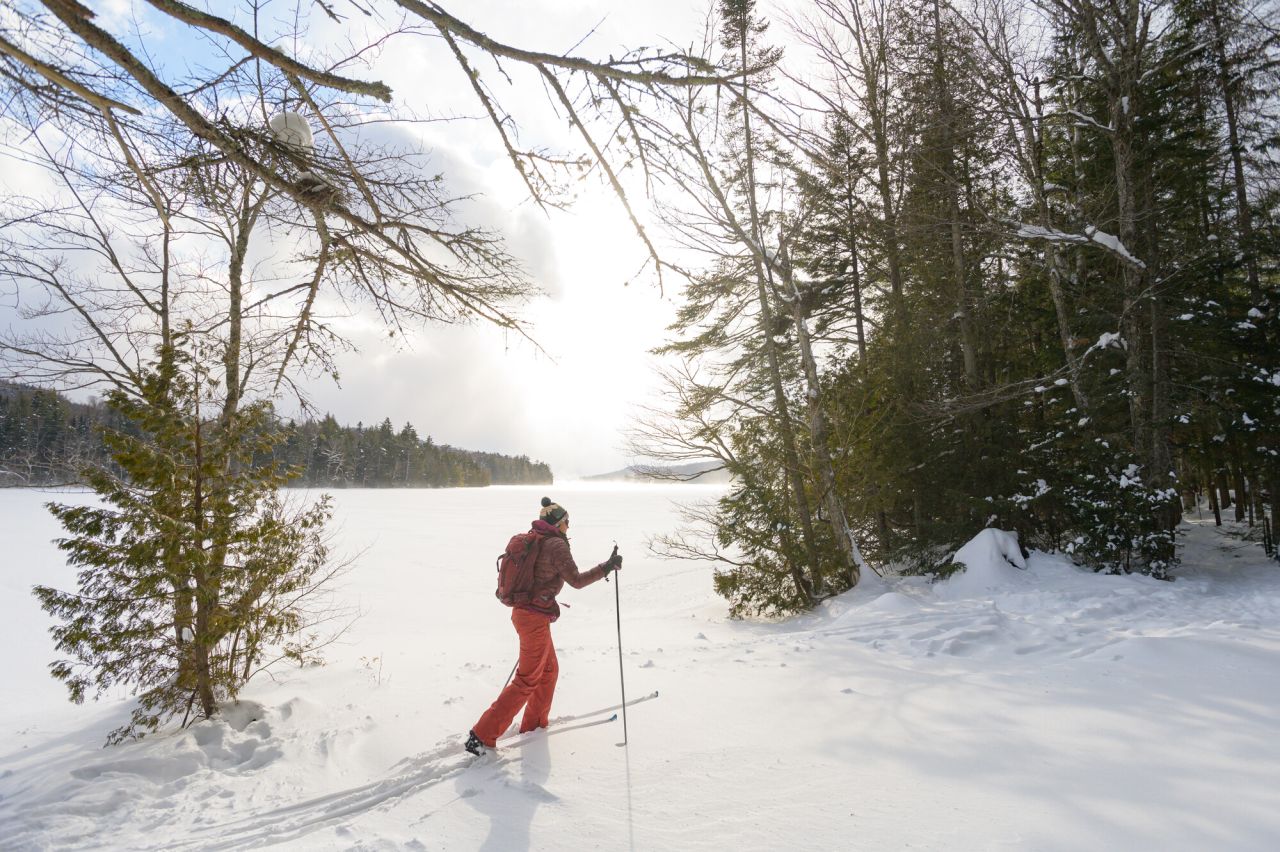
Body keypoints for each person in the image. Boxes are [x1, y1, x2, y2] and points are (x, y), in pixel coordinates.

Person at [465, 497, 622, 756]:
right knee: (527, 680)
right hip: (534, 619)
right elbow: (577, 581)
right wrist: (607, 566)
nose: (568, 527)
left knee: (548, 671)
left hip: (525, 614)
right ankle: (481, 736)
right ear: (558, 523)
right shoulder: (556, 546)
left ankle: (534, 727)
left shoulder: (534, 537)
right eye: (566, 522)